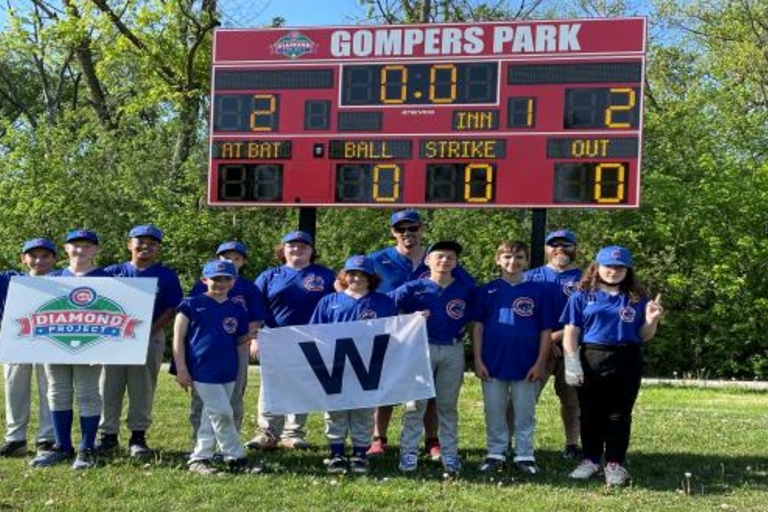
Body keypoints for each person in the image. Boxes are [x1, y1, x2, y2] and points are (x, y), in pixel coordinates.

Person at [561, 246, 664, 486]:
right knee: (590, 413)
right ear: (597, 267)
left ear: (627, 270)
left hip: (626, 358)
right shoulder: (581, 295)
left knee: (619, 414)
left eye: (620, 268)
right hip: (592, 357)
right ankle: (591, 460)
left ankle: (615, 464)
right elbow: (570, 333)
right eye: (608, 266)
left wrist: (651, 320)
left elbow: (644, 335)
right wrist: (572, 362)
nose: (614, 271)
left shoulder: (638, 297)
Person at [366, 209, 452, 460]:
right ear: (393, 232)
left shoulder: (438, 257)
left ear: (421, 229)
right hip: (390, 335)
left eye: (412, 228)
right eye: (401, 229)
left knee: (429, 391)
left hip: (431, 335)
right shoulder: (377, 260)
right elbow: (345, 283)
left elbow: (464, 287)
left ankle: (432, 440)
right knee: (386, 387)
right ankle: (378, 438)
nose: (407, 233)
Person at [389, 241, 476, 474]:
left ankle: (450, 454)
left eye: (450, 257)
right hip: (420, 348)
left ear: (456, 263)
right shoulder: (413, 288)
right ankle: (408, 453)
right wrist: (410, 318)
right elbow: (383, 305)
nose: (444, 261)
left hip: (453, 349)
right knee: (415, 404)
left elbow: (477, 318)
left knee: (447, 405)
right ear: (427, 260)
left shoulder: (466, 288)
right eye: (439, 256)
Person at [98, 224, 183, 457]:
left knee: (142, 388)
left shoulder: (166, 275)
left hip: (149, 336)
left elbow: (172, 307)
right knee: (109, 386)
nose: (145, 246)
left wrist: (149, 330)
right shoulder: (111, 272)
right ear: (129, 244)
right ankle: (108, 436)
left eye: (152, 243)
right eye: (140, 241)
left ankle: (138, 436)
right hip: (114, 338)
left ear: (157, 248)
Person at [247, 230, 335, 450]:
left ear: (312, 251)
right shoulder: (270, 276)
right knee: (271, 386)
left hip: (312, 338)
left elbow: (341, 300)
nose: (297, 249)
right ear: (283, 249)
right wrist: (255, 337)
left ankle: (293, 433)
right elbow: (256, 308)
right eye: (291, 245)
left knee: (301, 385)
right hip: (275, 336)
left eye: (303, 246)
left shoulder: (325, 275)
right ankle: (268, 432)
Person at [309, 255, 397, 474]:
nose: (357, 277)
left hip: (368, 364)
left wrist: (415, 321)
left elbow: (396, 330)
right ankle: (336, 453)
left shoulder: (383, 302)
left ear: (371, 277)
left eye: (363, 274)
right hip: (335, 363)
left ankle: (359, 454)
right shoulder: (330, 301)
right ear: (345, 275)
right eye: (352, 273)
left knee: (363, 409)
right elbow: (314, 332)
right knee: (335, 409)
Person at [173, 259, 260, 475]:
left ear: (233, 281)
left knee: (210, 415)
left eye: (226, 279)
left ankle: (200, 458)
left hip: (228, 368)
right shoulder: (190, 304)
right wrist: (182, 369)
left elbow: (237, 337)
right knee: (222, 413)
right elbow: (177, 339)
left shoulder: (237, 307)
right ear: (204, 280)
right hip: (201, 369)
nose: (220, 283)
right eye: (215, 279)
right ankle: (236, 457)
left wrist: (249, 337)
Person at [473, 241, 553, 475]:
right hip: (492, 362)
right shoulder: (486, 290)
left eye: (519, 257)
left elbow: (545, 331)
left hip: (526, 363)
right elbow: (478, 328)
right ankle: (495, 453)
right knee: (494, 409)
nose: (513, 262)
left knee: (525, 411)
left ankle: (525, 454)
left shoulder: (539, 291)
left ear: (527, 261)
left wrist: (540, 362)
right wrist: (477, 360)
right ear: (498, 260)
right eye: (507, 257)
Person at [30, 229, 108, 469]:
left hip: (90, 347)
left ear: (95, 250)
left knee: (87, 394)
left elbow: (112, 316)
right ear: (65, 248)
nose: (81, 250)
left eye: (87, 246)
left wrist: (105, 349)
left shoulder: (107, 280)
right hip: (56, 345)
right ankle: (62, 446)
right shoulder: (52, 279)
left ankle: (87, 449)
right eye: (75, 245)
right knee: (57, 391)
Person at [187, 241, 265, 438]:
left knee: (234, 393)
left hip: (236, 346)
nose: (231, 261)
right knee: (201, 394)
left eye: (236, 258)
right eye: (226, 257)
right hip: (205, 345)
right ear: (217, 259)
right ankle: (199, 439)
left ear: (243, 262)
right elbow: (190, 317)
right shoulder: (202, 285)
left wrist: (250, 339)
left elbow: (255, 319)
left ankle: (231, 438)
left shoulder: (248, 288)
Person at [524, 229, 583, 459]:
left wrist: (557, 337)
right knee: (524, 399)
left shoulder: (585, 279)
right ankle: (509, 445)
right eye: (554, 245)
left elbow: (588, 315)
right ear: (546, 249)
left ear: (575, 248)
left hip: (573, 349)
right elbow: (524, 315)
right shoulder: (531, 277)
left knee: (572, 401)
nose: (560, 249)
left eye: (566, 244)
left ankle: (572, 445)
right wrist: (546, 342)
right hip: (537, 350)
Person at [0, 239, 56, 458]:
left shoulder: (64, 280)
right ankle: (15, 439)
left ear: (55, 259)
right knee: (15, 388)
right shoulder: (9, 279)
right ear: (23, 259)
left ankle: (47, 439)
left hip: (51, 341)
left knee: (50, 389)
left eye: (45, 255)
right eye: (33, 255)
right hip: (17, 340)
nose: (39, 260)